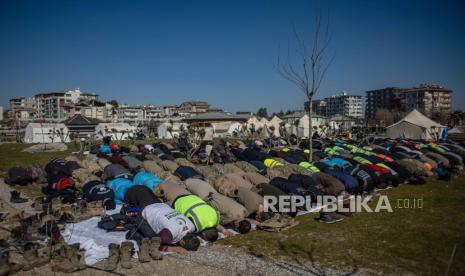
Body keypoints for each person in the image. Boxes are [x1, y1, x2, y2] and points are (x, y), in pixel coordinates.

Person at [124, 185, 200, 252]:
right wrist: (173, 249)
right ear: (182, 243)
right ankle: (134, 232)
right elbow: (154, 245)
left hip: (159, 205)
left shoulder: (192, 227)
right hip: (145, 211)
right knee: (152, 236)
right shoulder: (170, 234)